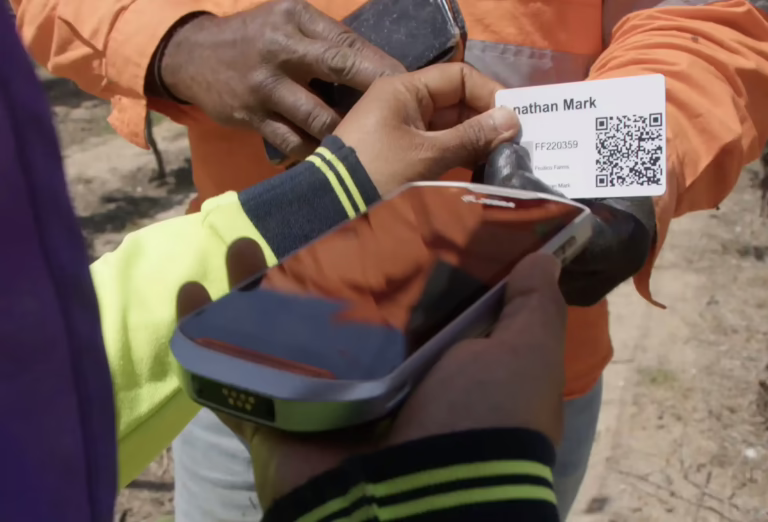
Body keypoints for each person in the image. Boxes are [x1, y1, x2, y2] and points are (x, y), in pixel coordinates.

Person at [12, 0, 768, 518]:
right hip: (261, 355)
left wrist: (641, 161)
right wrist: (170, 40)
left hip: (526, 367)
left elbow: (704, 22)